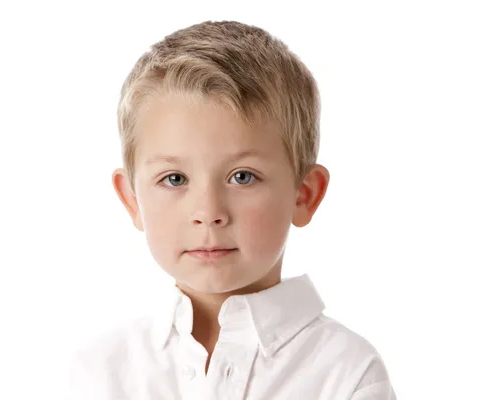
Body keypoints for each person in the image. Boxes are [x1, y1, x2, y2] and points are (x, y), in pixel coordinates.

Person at [68, 20, 396, 400]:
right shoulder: (101, 372)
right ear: (132, 199)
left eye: (242, 177)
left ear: (304, 194)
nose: (208, 212)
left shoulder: (347, 372)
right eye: (175, 179)